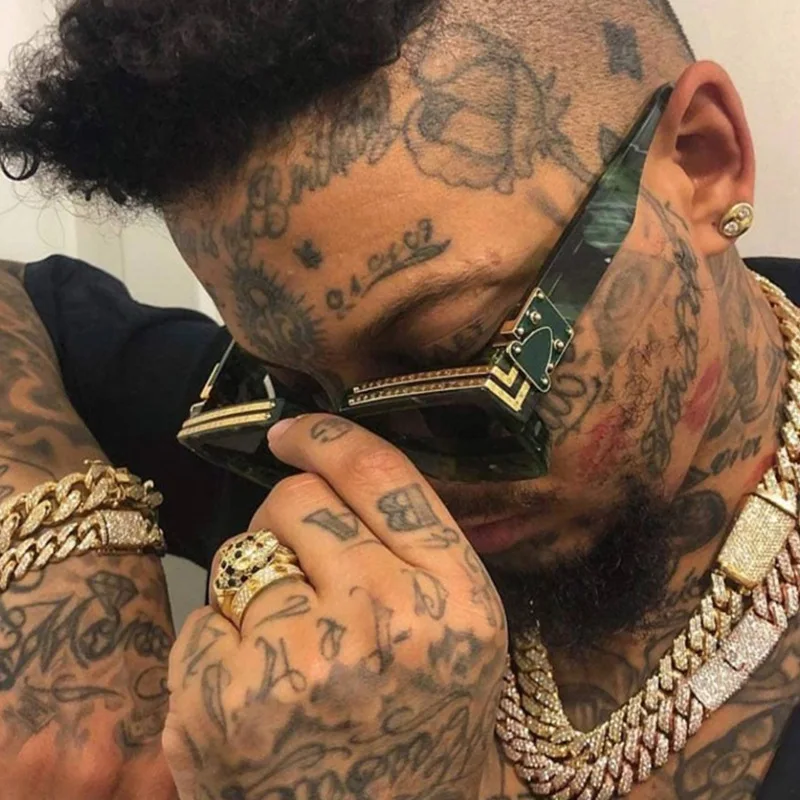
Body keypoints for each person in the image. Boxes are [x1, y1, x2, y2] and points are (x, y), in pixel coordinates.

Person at [1, 0, 799, 798]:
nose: (380, 466)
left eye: (452, 349)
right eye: (292, 384)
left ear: (703, 162)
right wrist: (61, 543)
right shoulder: (286, 440)